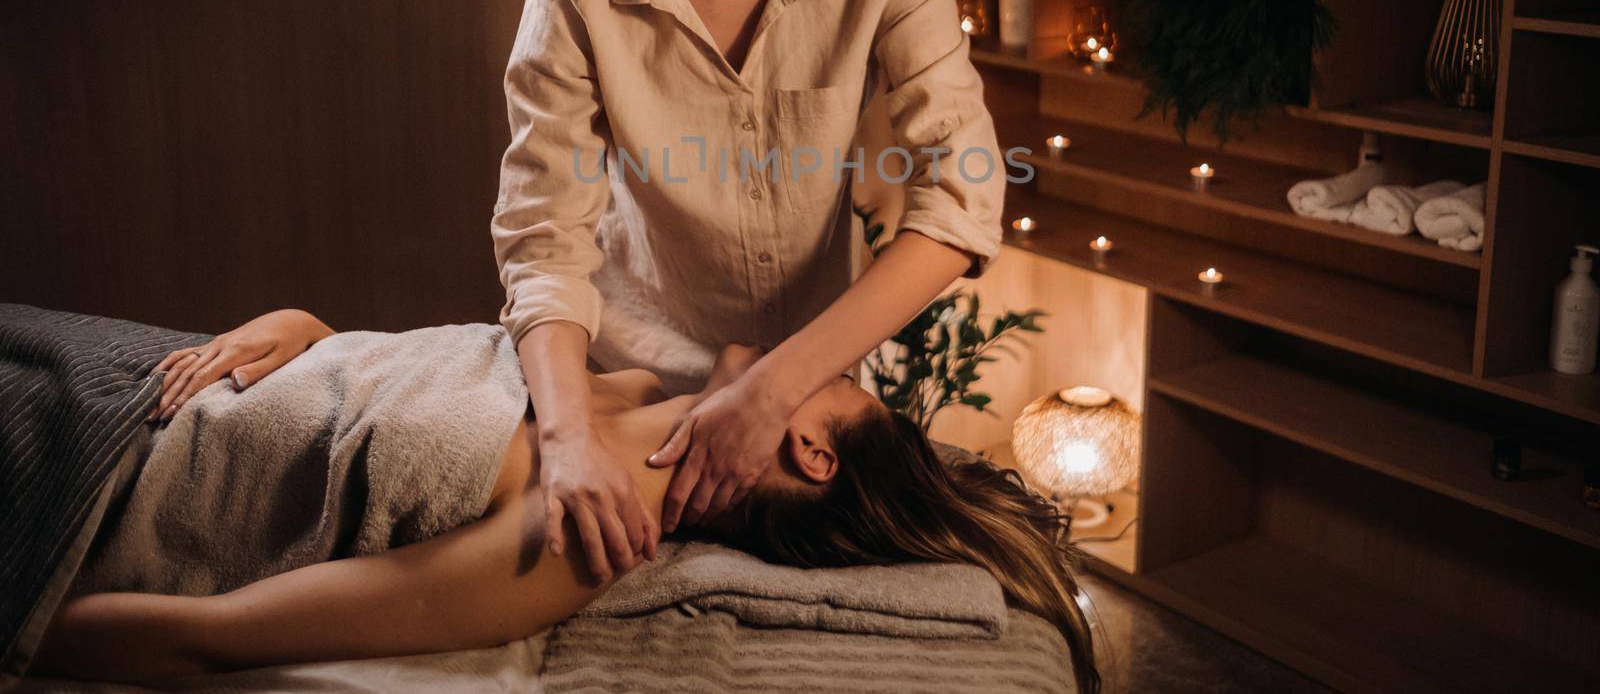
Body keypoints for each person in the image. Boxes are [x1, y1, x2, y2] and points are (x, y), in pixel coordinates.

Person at [496, 0, 1009, 587]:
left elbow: (960, 206)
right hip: (642, 395)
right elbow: (544, 243)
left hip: (800, 399)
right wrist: (569, 435)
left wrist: (770, 393)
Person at [31, 312, 1100, 694]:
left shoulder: (580, 538)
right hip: (141, 369)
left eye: (834, 381)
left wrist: (21, 623)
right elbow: (395, 374)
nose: (805, 353)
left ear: (811, 448)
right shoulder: (626, 392)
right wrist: (298, 323)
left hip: (83, 474)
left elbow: (213, 640)